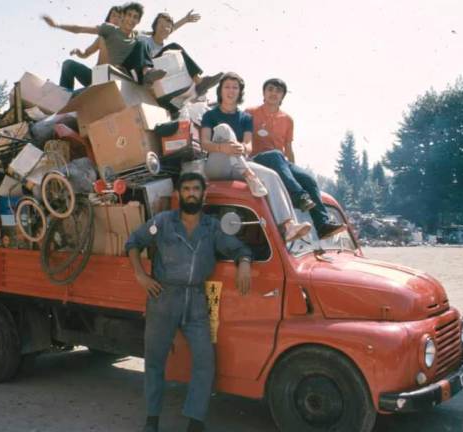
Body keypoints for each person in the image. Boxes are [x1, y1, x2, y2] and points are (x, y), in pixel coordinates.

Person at [125, 172, 253, 432]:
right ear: (179, 194)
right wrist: (140, 275)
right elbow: (133, 242)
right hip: (163, 297)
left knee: (205, 360)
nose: (191, 193)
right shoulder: (163, 222)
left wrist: (245, 263)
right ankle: (152, 419)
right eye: (186, 189)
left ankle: (196, 421)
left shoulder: (212, 227)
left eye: (196, 188)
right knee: (154, 360)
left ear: (203, 194)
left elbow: (238, 247)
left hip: (195, 300)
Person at [201, 72, 311, 242]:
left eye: (235, 87)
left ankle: (288, 226)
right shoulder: (210, 115)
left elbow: (248, 146)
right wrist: (224, 147)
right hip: (217, 165)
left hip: (238, 164)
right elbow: (204, 144)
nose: (231, 91)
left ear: (240, 92)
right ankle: (249, 175)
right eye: (227, 87)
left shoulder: (245, 117)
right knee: (223, 129)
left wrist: (242, 147)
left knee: (272, 175)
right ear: (220, 90)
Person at [247, 78, 345, 238]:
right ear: (263, 93)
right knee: (276, 155)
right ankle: (299, 197)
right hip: (257, 160)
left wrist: (292, 172)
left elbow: (289, 149)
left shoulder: (287, 119)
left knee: (308, 179)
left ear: (282, 96)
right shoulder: (250, 113)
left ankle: (322, 225)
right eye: (270, 89)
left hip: (280, 162)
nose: (273, 93)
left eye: (278, 91)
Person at [42, 2, 166, 86]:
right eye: (129, 15)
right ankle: (64, 97)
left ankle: (147, 72)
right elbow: (81, 30)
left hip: (118, 76)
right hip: (97, 76)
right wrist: (57, 25)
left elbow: (159, 33)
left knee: (142, 42)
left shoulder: (137, 36)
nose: (131, 19)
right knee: (68, 64)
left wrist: (184, 20)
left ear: (138, 21)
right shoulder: (108, 30)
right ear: (123, 16)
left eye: (135, 17)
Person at [139, 12, 223, 96]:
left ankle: (196, 86)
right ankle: (199, 81)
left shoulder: (164, 51)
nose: (163, 28)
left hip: (159, 75)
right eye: (160, 25)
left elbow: (168, 29)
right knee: (174, 46)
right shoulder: (144, 39)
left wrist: (185, 20)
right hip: (145, 72)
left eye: (167, 27)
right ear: (155, 26)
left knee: (174, 56)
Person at [57, 6, 122, 91]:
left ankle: (77, 96)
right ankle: (63, 95)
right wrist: (79, 52)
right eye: (114, 15)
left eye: (120, 17)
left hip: (109, 81)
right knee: (68, 64)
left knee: (79, 95)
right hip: (95, 76)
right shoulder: (101, 38)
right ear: (108, 19)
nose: (116, 19)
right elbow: (86, 53)